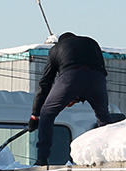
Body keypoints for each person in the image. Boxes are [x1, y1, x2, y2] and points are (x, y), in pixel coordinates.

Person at [28, 32, 117, 164]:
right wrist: (77, 98)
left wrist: (35, 115)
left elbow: (45, 83)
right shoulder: (92, 42)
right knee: (103, 117)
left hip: (70, 77)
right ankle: (112, 155)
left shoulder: (56, 49)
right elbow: (91, 74)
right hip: (98, 79)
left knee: (47, 112)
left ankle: (42, 158)